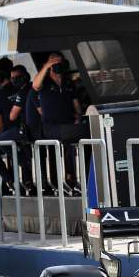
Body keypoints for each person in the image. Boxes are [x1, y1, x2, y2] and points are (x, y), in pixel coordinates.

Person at [31, 52, 83, 193]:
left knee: (77, 138)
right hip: (51, 127)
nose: (59, 66)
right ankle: (60, 182)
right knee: (61, 144)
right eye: (55, 64)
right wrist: (47, 66)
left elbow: (76, 104)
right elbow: (35, 85)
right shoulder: (45, 82)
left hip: (68, 125)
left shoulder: (68, 82)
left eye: (61, 63)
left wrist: (78, 116)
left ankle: (73, 180)